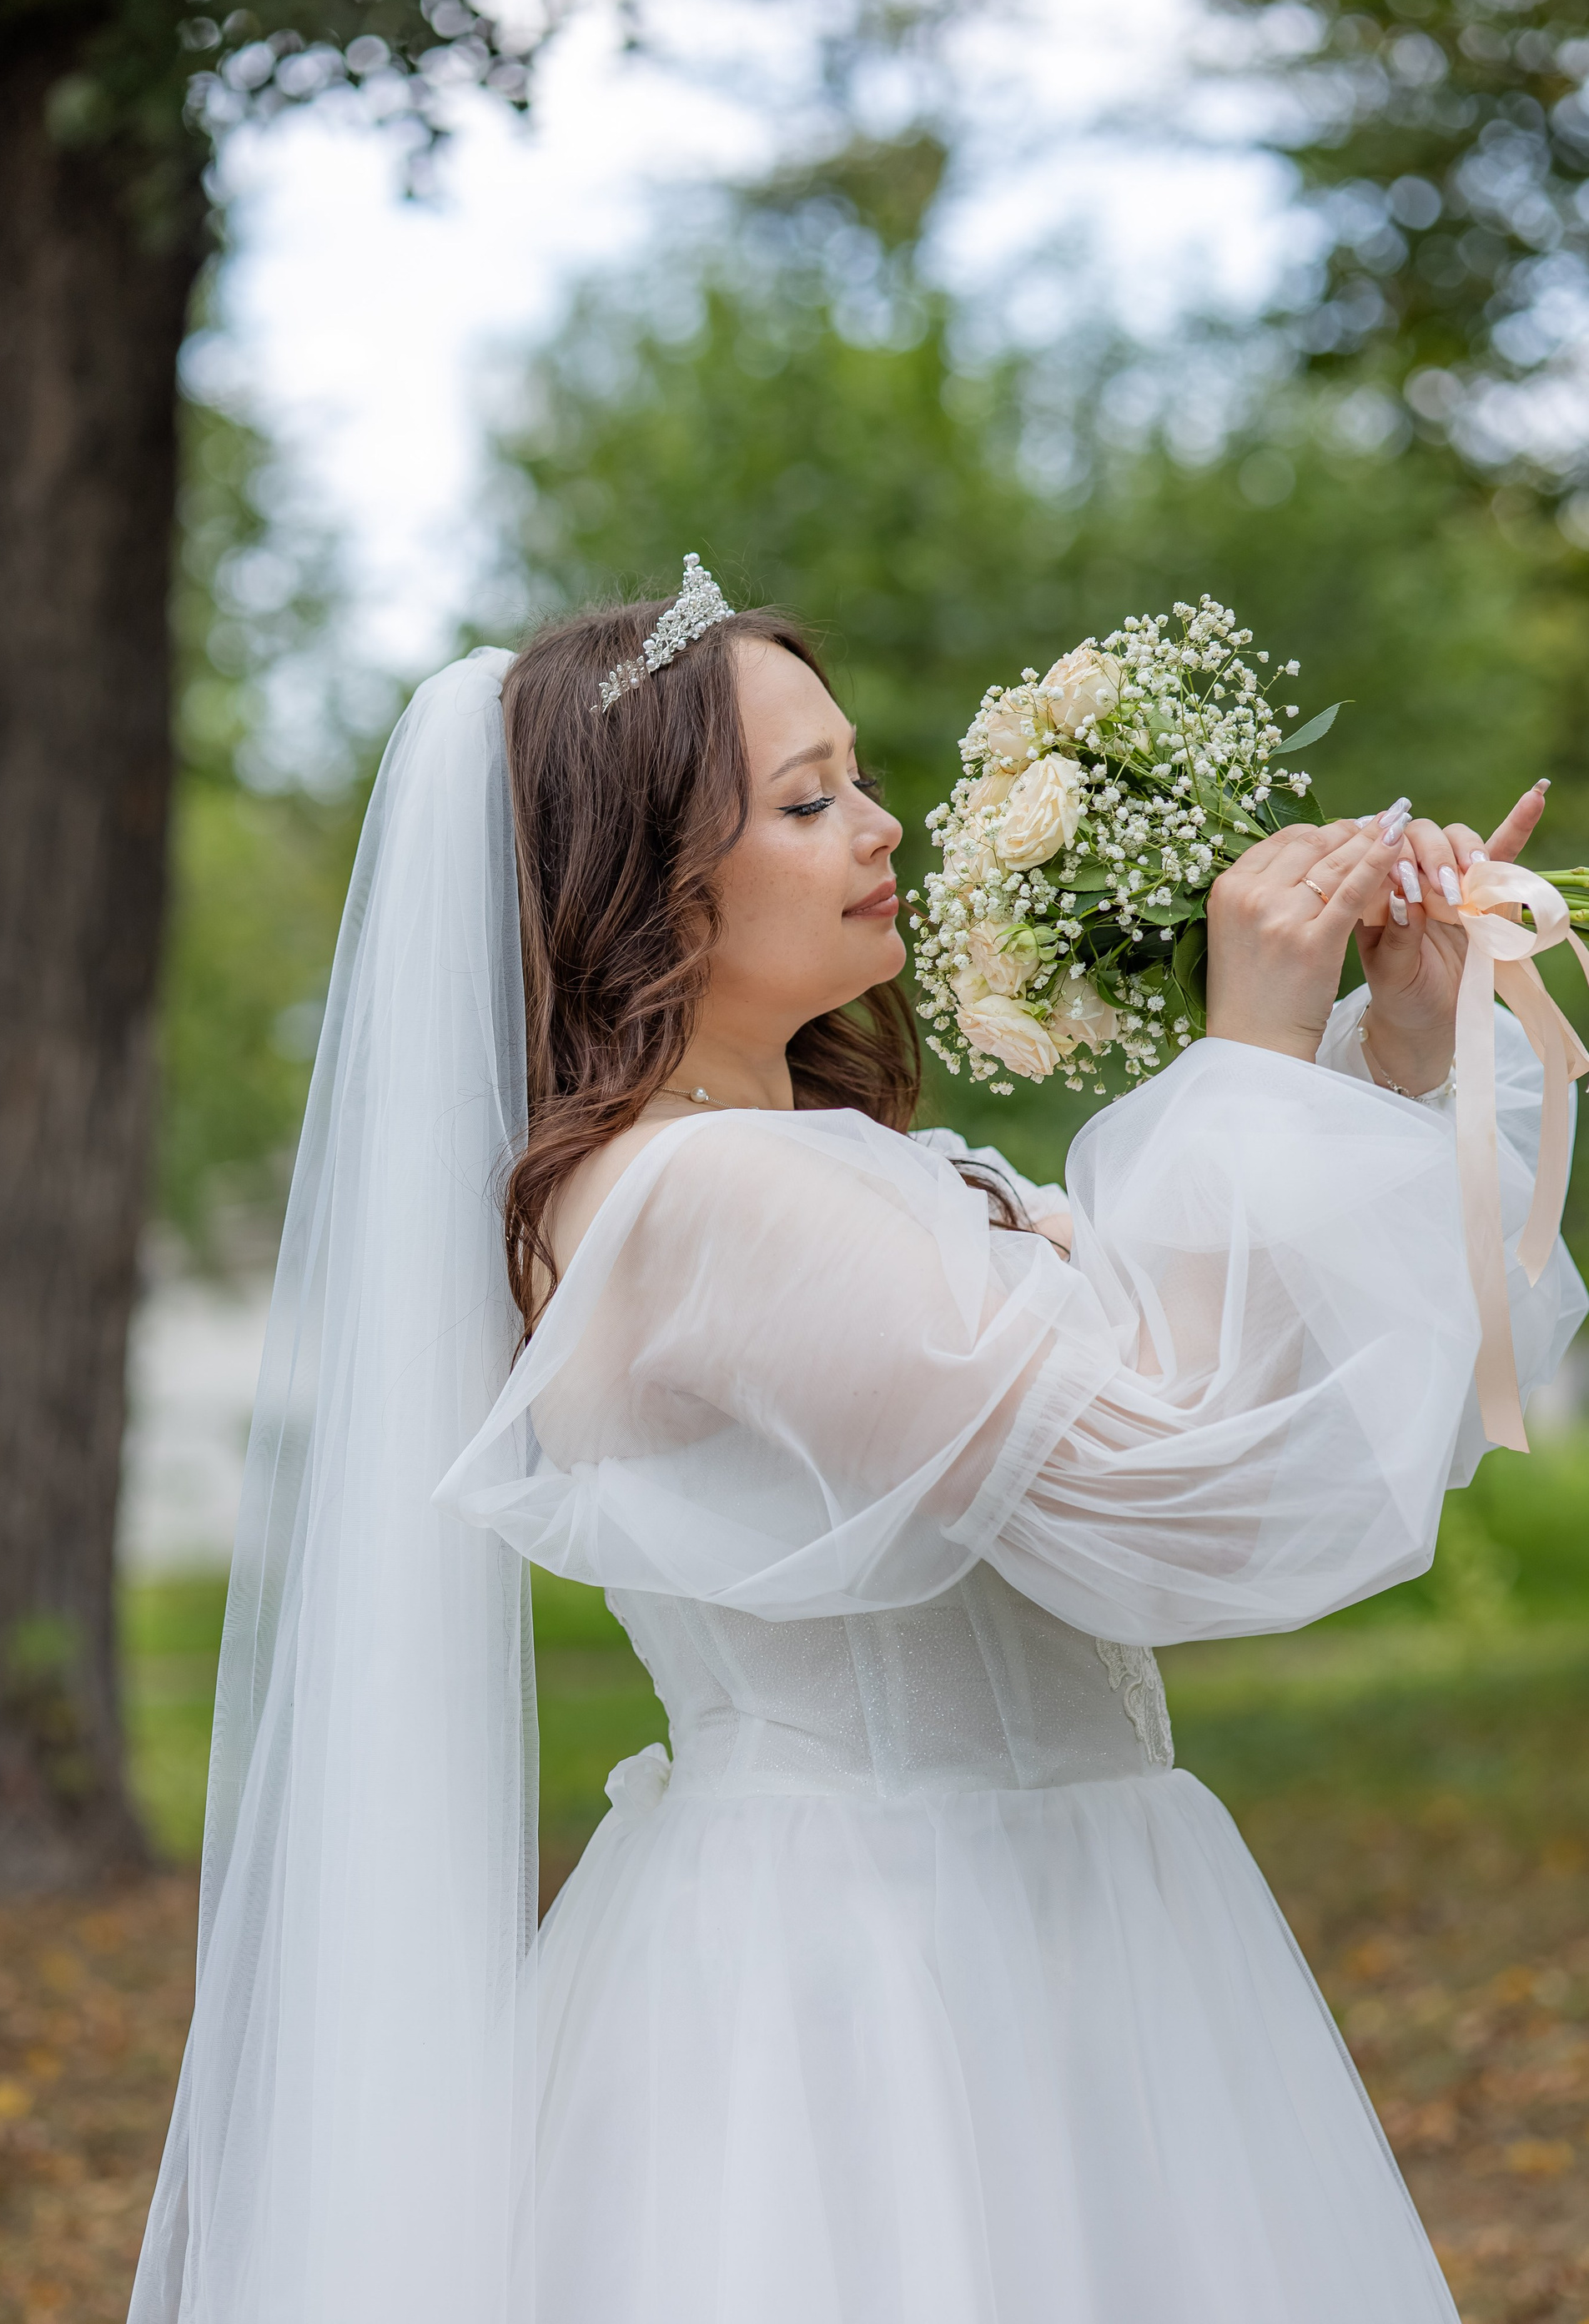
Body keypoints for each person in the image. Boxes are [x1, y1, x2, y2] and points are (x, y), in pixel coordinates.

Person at [131, 564, 1584, 2324]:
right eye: (807, 802)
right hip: (874, 1980)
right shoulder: (693, 1205)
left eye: (859, 779)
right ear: (641, 880)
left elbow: (1225, 1394)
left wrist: (1393, 1049)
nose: (884, 828)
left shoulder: (849, 1167)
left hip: (1065, 1916)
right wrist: (1254, 1052)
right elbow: (1166, 1495)